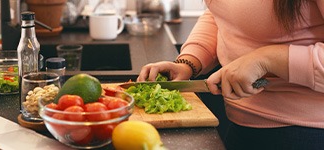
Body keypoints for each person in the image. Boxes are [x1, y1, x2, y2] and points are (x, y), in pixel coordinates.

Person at [137, 0, 324, 149]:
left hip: (305, 134)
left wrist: (268, 59)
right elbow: (220, 14)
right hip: (239, 124)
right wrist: (189, 61)